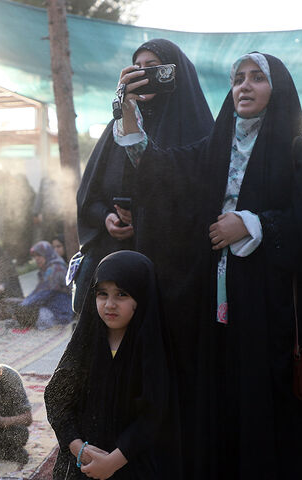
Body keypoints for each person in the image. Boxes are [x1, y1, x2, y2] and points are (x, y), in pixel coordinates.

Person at [118, 52, 302, 479]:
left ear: (277, 89)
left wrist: (252, 224)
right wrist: (130, 113)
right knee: (227, 413)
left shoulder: (301, 152)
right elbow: (162, 173)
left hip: (278, 319)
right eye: (237, 80)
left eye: (256, 78)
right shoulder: (215, 149)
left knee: (276, 422)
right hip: (223, 317)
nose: (244, 86)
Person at [74, 39, 214, 314]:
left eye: (152, 68)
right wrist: (107, 217)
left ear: (176, 74)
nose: (142, 75)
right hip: (112, 268)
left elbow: (197, 201)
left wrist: (144, 219)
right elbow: (88, 197)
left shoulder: (196, 133)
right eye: (137, 68)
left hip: (169, 274)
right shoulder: (118, 129)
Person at [45, 251, 179, 479]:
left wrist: (112, 462)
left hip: (133, 463)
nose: (109, 304)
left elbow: (154, 416)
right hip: (82, 463)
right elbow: (57, 399)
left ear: (142, 297)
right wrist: (79, 448)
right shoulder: (87, 343)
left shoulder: (151, 349)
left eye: (122, 295)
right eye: (102, 294)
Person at [3, 241, 73, 329]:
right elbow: (38, 291)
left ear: (47, 254)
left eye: (39, 255)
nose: (36, 259)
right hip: (49, 306)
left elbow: (44, 293)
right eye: (35, 256)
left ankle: (23, 321)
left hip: (59, 313)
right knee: (22, 308)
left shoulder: (55, 268)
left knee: (25, 311)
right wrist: (24, 303)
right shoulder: (47, 268)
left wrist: (24, 305)